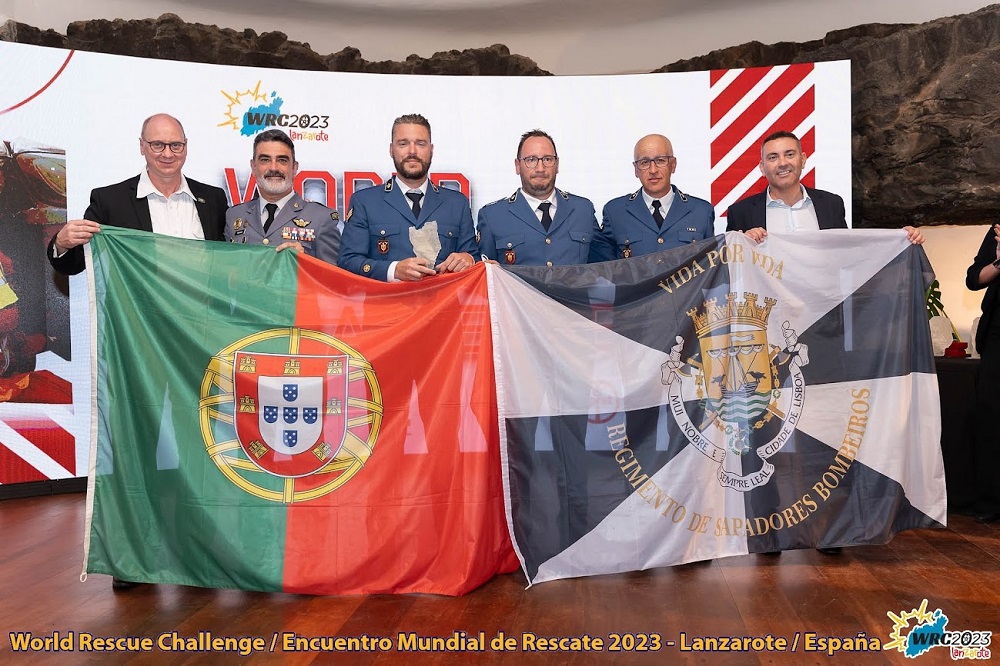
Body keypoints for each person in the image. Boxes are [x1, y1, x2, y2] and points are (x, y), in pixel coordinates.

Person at [48, 113, 228, 275]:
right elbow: (74, 264)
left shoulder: (214, 199)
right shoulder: (110, 201)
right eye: (157, 145)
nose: (167, 154)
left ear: (186, 146)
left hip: (202, 311)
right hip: (141, 312)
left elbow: (230, 263)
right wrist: (61, 244)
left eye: (175, 145)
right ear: (142, 146)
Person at [337, 113, 476, 281]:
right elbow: (347, 261)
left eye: (420, 143)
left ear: (431, 150)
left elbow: (474, 257)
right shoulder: (365, 202)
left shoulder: (457, 203)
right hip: (387, 305)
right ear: (391, 150)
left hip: (444, 305)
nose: (412, 151)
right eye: (403, 144)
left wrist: (469, 259)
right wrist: (393, 270)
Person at [726, 130, 924, 245]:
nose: (782, 163)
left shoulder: (831, 204)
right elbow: (730, 268)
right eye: (772, 157)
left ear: (803, 160)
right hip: (766, 312)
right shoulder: (740, 213)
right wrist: (743, 244)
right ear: (762, 168)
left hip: (824, 311)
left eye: (789, 154)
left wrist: (899, 238)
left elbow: (850, 252)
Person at [477, 129, 613, 266]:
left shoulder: (583, 210)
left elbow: (605, 266)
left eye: (547, 159)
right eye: (531, 160)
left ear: (557, 164)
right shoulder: (493, 216)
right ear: (518, 166)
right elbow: (485, 276)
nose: (540, 168)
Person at [226, 129, 339, 263]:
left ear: (294, 168)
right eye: (265, 160)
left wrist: (306, 262)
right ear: (253, 167)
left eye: (282, 160)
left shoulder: (321, 218)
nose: (274, 168)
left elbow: (334, 278)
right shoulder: (234, 215)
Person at [600, 134, 715, 258]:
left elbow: (711, 269)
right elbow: (604, 269)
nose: (653, 170)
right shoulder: (615, 211)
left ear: (673, 164)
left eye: (660, 160)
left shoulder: (702, 211)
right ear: (636, 169)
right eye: (644, 162)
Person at [965, 223, 1000, 523]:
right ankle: (989, 502)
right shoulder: (998, 229)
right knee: (991, 418)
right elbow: (974, 279)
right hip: (998, 337)